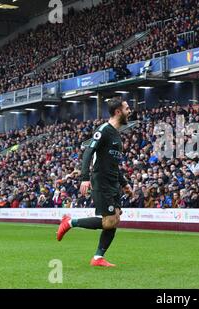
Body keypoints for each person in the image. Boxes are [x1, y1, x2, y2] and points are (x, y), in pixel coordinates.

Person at [56, 97, 133, 267]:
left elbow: (114, 164)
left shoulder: (117, 135)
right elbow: (88, 153)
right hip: (101, 181)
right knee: (109, 221)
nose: (130, 111)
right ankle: (70, 222)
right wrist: (84, 177)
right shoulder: (103, 130)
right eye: (127, 108)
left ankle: (98, 258)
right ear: (118, 112)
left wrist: (125, 183)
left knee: (115, 219)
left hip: (113, 183)